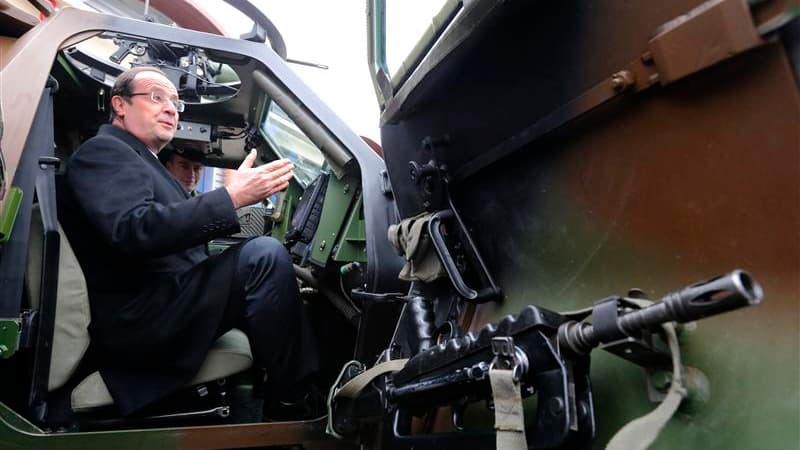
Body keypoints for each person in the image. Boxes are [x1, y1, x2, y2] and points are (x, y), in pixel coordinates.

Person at [58, 66, 320, 419]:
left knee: (255, 259)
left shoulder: (140, 160)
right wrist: (231, 198)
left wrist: (230, 201)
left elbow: (170, 231)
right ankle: (293, 400)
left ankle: (278, 389)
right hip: (143, 320)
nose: (171, 108)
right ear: (119, 105)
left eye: (175, 102)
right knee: (264, 255)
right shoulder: (105, 151)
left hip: (162, 302)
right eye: (156, 96)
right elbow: (135, 230)